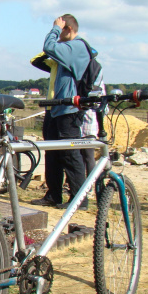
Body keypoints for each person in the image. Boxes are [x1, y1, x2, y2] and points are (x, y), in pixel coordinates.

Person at [30, 14, 91, 211]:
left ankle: (79, 198)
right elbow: (40, 58)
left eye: (60, 29)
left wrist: (55, 29)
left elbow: (49, 47)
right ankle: (54, 195)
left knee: (70, 154)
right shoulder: (66, 52)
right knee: (53, 155)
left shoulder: (78, 47)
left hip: (69, 110)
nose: (56, 33)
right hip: (55, 109)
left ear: (68, 29)